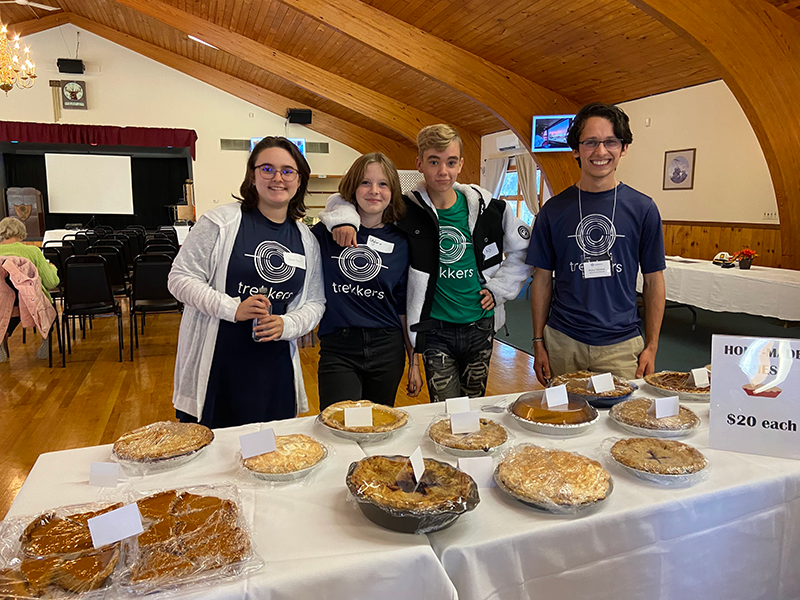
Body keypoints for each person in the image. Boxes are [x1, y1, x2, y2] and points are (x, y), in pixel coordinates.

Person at [320, 125, 532, 402]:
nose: (442, 171)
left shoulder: (489, 208)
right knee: (445, 410)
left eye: (451, 162)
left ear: (461, 164)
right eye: (434, 162)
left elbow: (525, 249)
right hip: (435, 331)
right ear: (419, 164)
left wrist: (499, 289)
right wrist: (345, 219)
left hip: (480, 325)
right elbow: (348, 198)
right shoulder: (406, 210)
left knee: (473, 407)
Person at [169, 136, 325, 428]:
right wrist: (233, 309)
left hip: (273, 368)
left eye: (287, 171)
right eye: (267, 168)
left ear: (300, 180)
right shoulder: (219, 222)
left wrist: (287, 325)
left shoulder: (306, 239)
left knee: (268, 456)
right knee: (213, 459)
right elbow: (179, 278)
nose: (277, 178)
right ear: (252, 175)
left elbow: (315, 302)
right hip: (218, 364)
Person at [527, 102, 666, 385]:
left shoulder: (643, 209)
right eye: (590, 142)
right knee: (564, 419)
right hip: (564, 342)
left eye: (611, 142)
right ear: (576, 149)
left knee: (622, 423)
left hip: (622, 345)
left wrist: (651, 345)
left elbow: (654, 280)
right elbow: (542, 280)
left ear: (624, 148)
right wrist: (539, 341)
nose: (600, 152)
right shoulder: (553, 211)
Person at [312, 152, 421, 409]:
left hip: (387, 347)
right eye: (365, 182)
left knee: (378, 427)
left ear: (393, 190)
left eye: (382, 184)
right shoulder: (325, 233)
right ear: (353, 187)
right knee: (339, 427)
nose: (374, 191)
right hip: (339, 347)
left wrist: (414, 361)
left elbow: (404, 305)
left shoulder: (402, 241)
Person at [0, 216, 59, 362]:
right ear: (21, 233)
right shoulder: (32, 251)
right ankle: (45, 337)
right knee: (50, 310)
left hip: (3, 304)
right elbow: (51, 282)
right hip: (32, 302)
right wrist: (53, 268)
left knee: (5, 308)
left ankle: (3, 336)